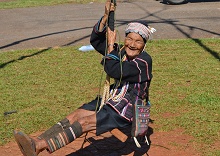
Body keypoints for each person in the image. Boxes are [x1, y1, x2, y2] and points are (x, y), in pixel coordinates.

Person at [13, 0, 156, 155]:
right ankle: (36, 142)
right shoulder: (121, 52)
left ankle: (40, 145)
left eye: (138, 41)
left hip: (126, 111)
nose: (132, 44)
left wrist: (110, 47)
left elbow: (114, 69)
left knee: (84, 122)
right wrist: (106, 16)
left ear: (144, 45)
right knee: (77, 114)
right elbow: (97, 41)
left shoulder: (144, 61)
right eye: (129, 39)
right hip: (112, 101)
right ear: (125, 38)